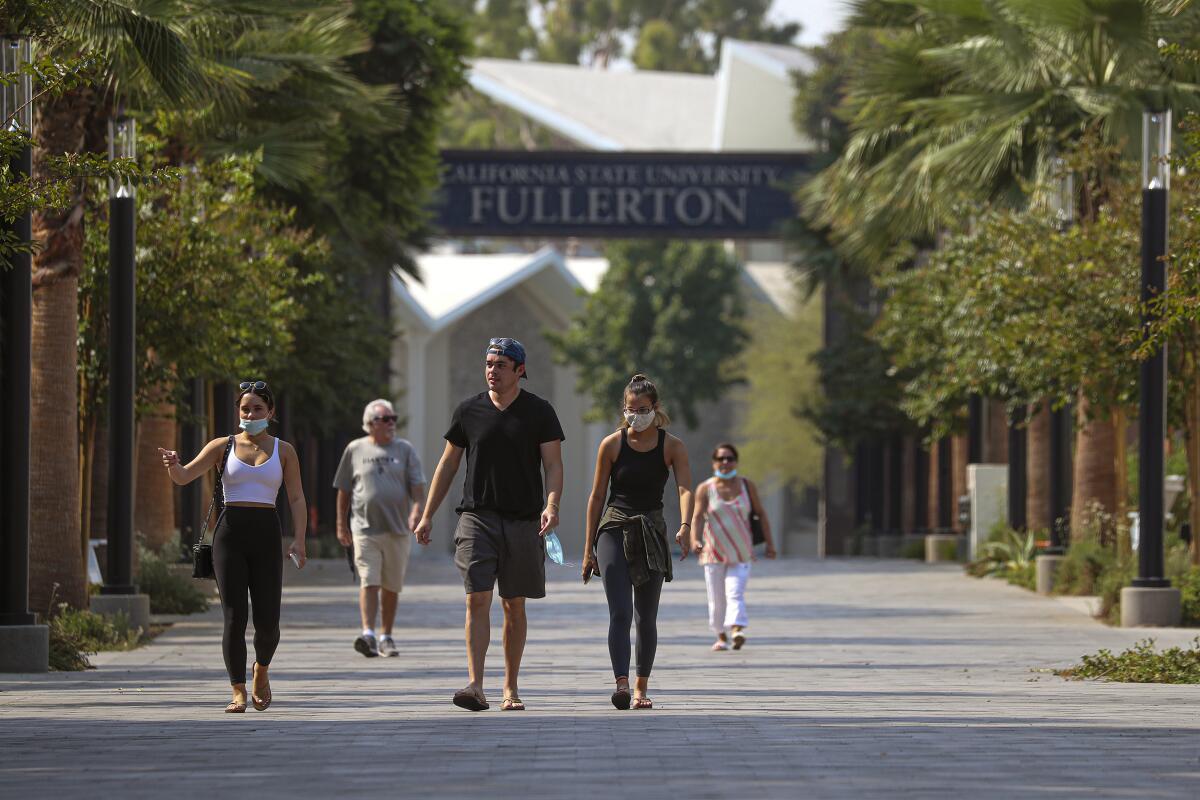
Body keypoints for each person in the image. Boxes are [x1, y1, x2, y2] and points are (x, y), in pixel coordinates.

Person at [413, 337, 564, 712]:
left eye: (500, 364)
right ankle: (475, 685)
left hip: (523, 520)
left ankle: (510, 688)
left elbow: (554, 465)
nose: (492, 371)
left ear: (519, 370)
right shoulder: (469, 411)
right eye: (489, 363)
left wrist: (552, 504)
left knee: (513, 604)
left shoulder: (539, 412)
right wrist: (427, 513)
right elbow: (448, 465)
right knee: (476, 597)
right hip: (477, 517)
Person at [158, 380, 307, 712]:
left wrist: (299, 539)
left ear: (270, 412)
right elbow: (184, 477)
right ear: (237, 412)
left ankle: (261, 670)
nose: (250, 414)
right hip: (230, 534)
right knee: (233, 616)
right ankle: (237, 689)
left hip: (267, 532)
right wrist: (173, 465)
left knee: (268, 620)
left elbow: (296, 497)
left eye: (257, 408)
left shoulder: (284, 451)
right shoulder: (221, 446)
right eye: (245, 408)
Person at [581, 374, 693, 710]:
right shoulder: (611, 444)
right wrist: (589, 548)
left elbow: (685, 488)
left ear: (655, 409)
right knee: (620, 612)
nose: (635, 416)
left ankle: (642, 687)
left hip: (651, 530)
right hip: (614, 526)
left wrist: (686, 525)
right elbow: (598, 494)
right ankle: (622, 684)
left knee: (646, 615)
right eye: (630, 410)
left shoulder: (672, 446)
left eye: (642, 409)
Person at [334, 399, 427, 658]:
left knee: (391, 585)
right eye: (385, 419)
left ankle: (386, 635)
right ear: (370, 424)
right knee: (369, 580)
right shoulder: (355, 449)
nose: (391, 424)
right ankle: (368, 634)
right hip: (364, 528)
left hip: (397, 530)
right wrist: (342, 526)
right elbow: (343, 490)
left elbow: (418, 492)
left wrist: (416, 514)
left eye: (393, 419)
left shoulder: (405, 450)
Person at [690, 442, 776, 652]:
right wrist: (694, 539)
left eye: (729, 458)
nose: (725, 463)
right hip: (713, 552)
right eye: (721, 459)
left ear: (736, 461)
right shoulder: (705, 488)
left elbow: (761, 514)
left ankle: (737, 629)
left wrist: (769, 544)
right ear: (714, 463)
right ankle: (721, 636)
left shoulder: (747, 486)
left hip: (741, 551)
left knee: (734, 592)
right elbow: (697, 517)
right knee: (717, 598)